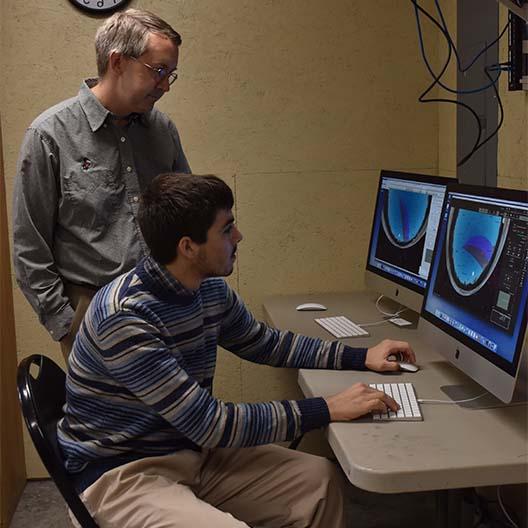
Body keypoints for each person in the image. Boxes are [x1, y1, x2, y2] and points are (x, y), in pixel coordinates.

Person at [57, 173, 417, 528]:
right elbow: (210, 424)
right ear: (188, 247)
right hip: (122, 473)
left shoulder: (206, 287)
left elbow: (264, 343)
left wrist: (360, 356)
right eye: (227, 229)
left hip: (189, 451)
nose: (239, 236)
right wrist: (328, 408)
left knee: (319, 483)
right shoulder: (125, 317)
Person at [12, 9, 190, 360]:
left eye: (172, 74)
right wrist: (66, 324)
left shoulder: (163, 130)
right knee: (111, 417)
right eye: (159, 72)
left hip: (169, 306)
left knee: (183, 413)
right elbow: (29, 246)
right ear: (118, 62)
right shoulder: (49, 135)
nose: (166, 85)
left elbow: (189, 216)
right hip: (91, 315)